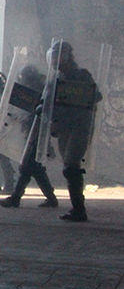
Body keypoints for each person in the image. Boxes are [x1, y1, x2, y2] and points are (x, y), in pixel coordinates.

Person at [46, 41, 100, 222]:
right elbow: (48, 101)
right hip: (64, 128)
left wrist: (75, 101)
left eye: (58, 56)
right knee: (69, 167)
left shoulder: (81, 76)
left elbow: (95, 96)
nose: (55, 60)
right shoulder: (56, 78)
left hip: (79, 127)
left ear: (67, 56)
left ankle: (79, 208)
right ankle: (77, 208)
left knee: (71, 166)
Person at [0, 65, 58, 209]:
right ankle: (50, 197)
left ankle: (16, 197)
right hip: (31, 130)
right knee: (35, 168)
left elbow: (44, 112)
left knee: (27, 166)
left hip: (37, 131)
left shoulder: (43, 92)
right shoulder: (38, 90)